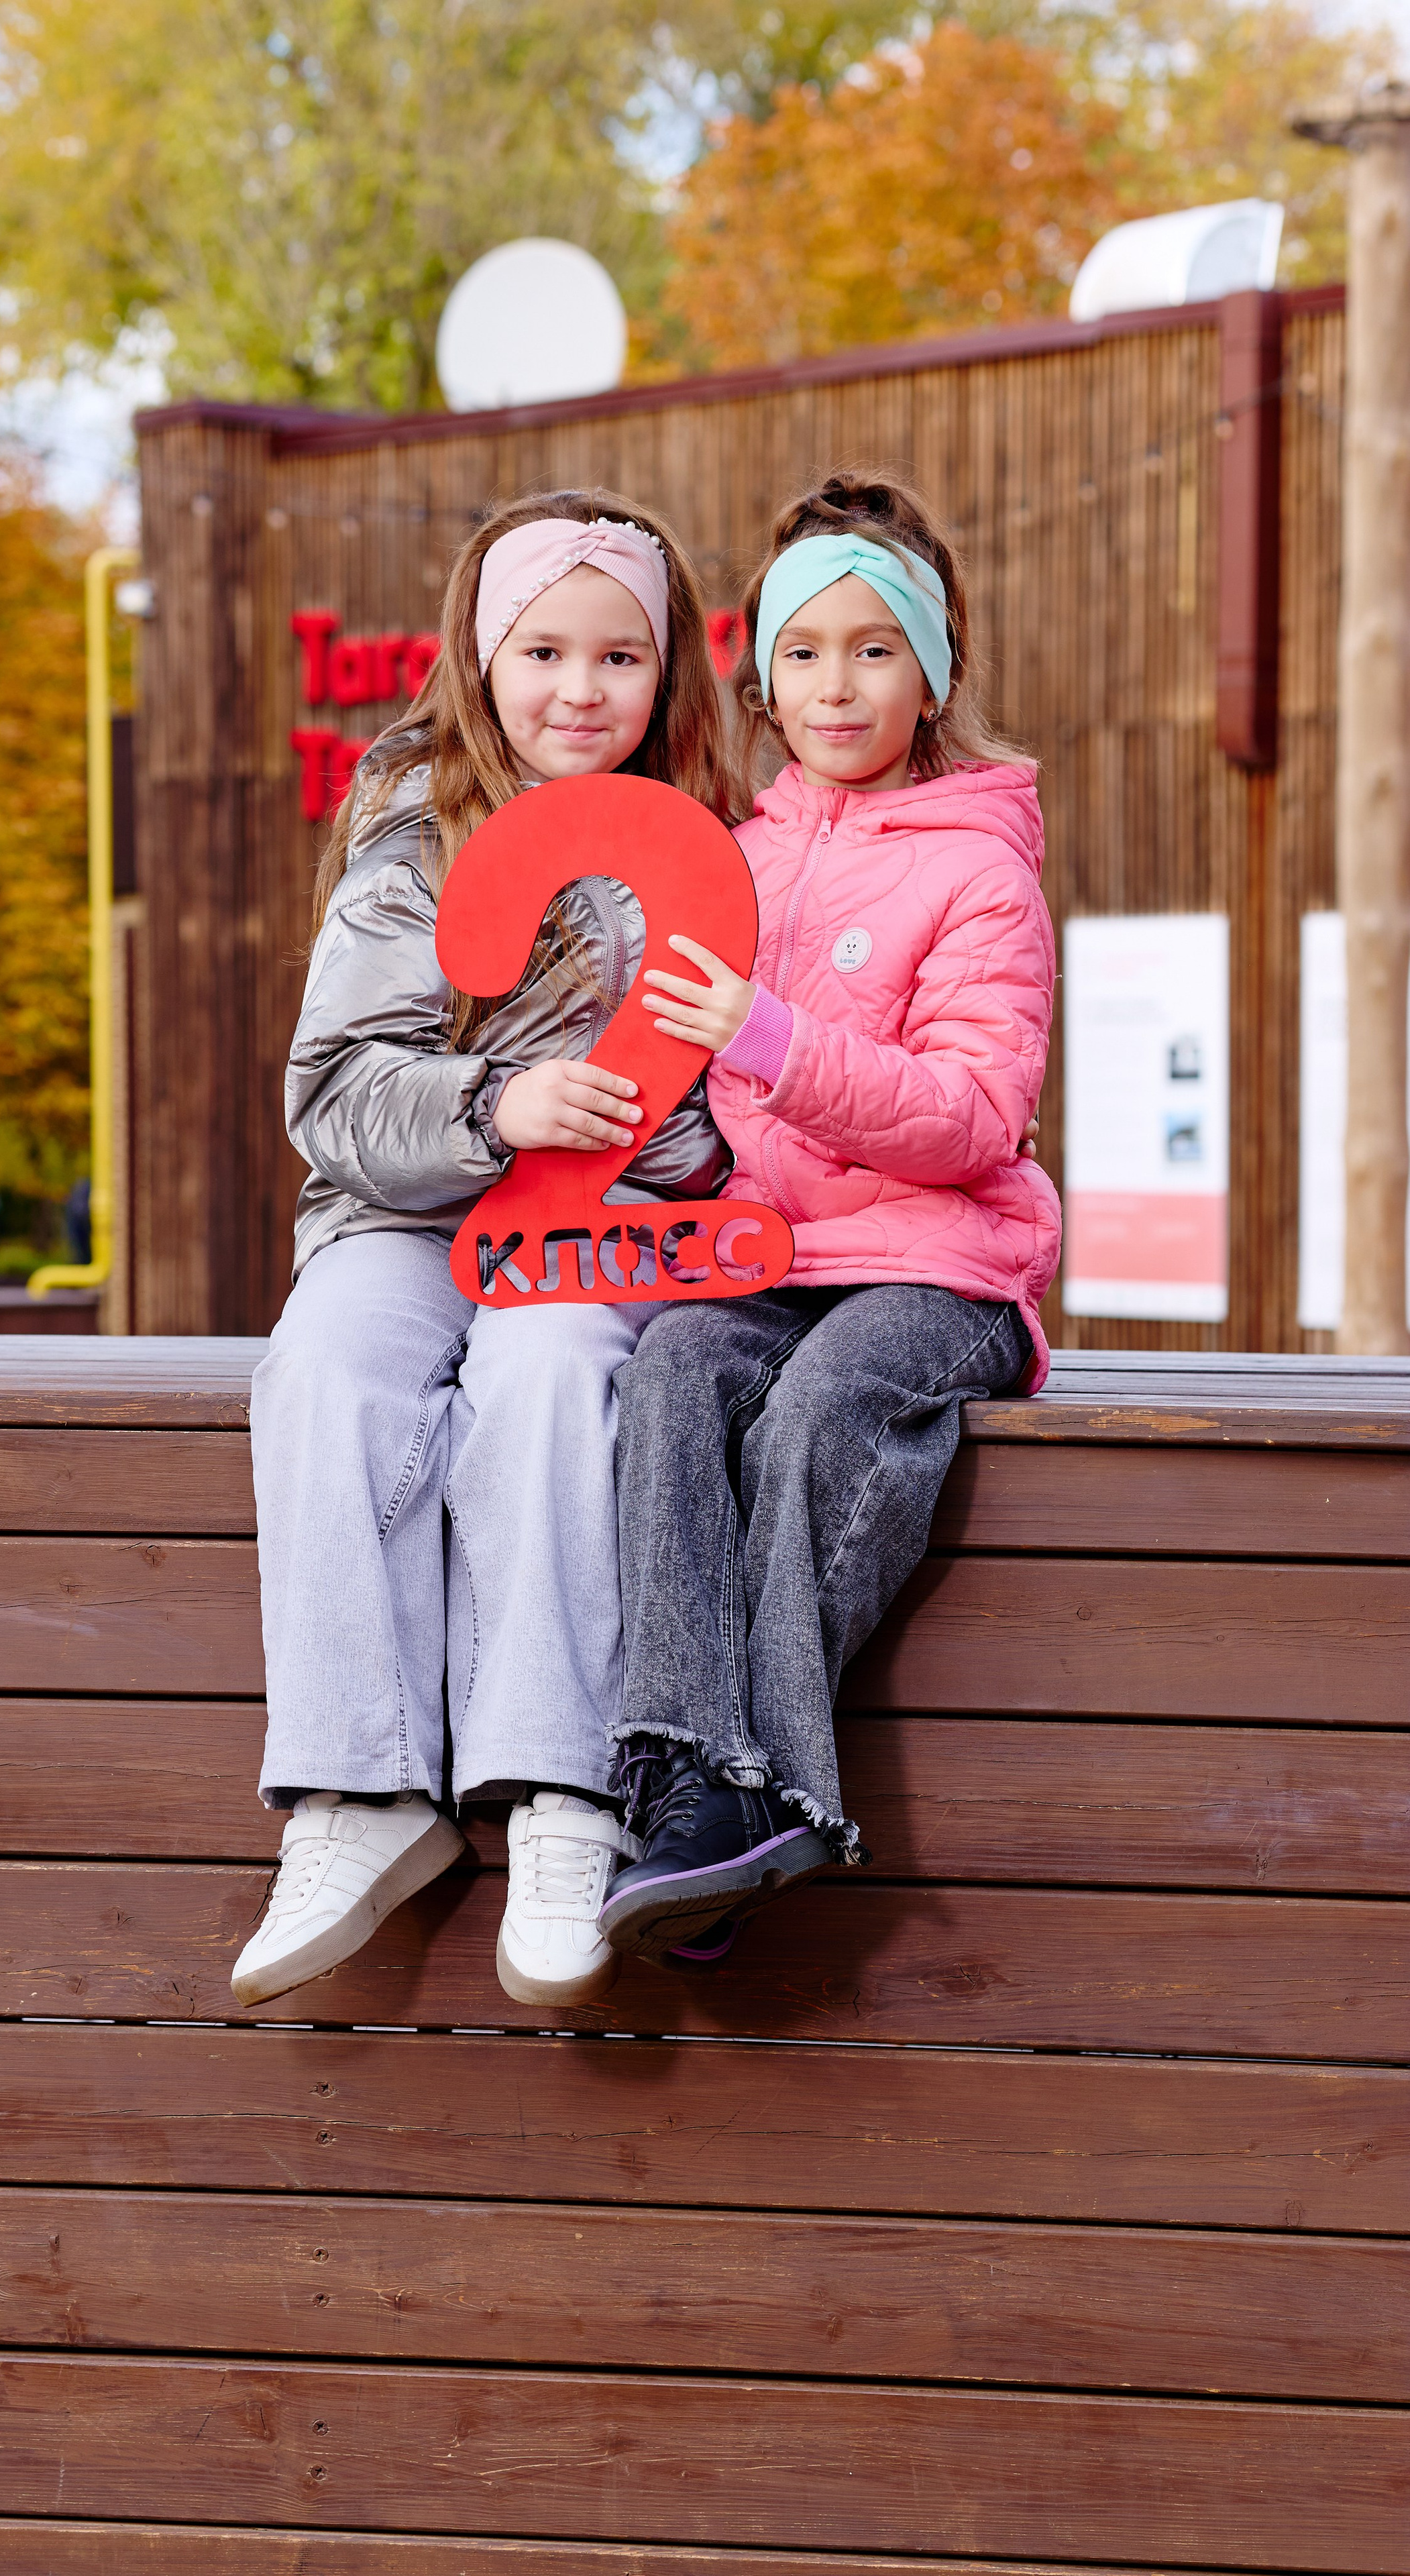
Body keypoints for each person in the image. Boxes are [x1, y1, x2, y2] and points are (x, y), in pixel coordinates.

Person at [231, 490, 737, 2013]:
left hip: (600, 1226)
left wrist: (645, 1138)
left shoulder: (705, 847)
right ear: (478, 653)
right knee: (326, 1365)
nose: (577, 692)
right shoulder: (408, 830)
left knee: (554, 1363)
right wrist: (496, 1102)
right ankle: (359, 1792)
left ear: (666, 679)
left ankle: (560, 1794)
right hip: (409, 1206)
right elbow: (331, 1096)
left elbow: (730, 1110)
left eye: (618, 660)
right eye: (541, 653)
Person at [599, 468, 1062, 1963]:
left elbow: (972, 1118)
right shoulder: (730, 855)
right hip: (770, 1252)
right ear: (761, 674)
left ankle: (767, 1785)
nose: (836, 683)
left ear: (930, 673)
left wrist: (773, 1040)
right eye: (803, 650)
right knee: (667, 1376)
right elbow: (681, 1100)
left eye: (874, 648)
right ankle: (682, 1789)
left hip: (940, 1265)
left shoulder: (977, 869)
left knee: (822, 1408)